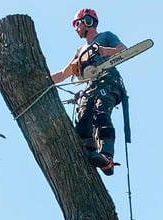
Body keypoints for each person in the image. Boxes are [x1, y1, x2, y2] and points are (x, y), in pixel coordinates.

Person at [51, 8, 127, 176]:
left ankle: (107, 157)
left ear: (88, 21)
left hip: (109, 81)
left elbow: (124, 50)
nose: (76, 28)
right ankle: (89, 150)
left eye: (78, 24)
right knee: (83, 118)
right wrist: (45, 79)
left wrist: (106, 51)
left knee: (100, 114)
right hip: (91, 87)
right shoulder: (79, 52)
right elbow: (63, 74)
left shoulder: (106, 36)